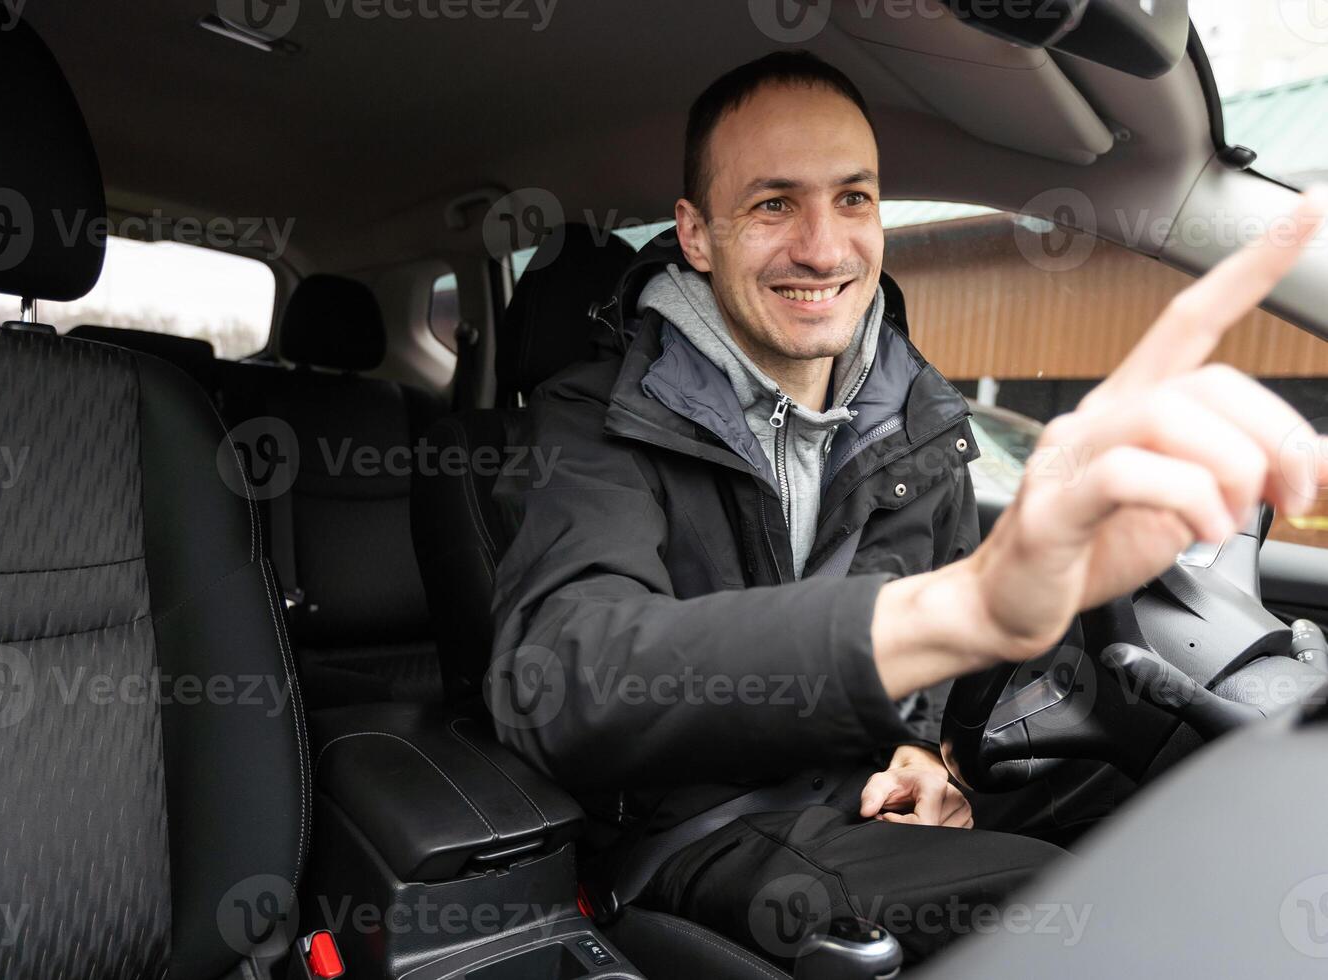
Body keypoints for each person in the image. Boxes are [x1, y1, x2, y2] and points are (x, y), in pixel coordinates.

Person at [489, 50, 1328, 964]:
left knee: (1174, 822)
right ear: (696, 234)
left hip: (867, 802)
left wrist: (938, 759)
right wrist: (962, 609)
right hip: (705, 828)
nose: (823, 246)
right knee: (1099, 912)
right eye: (773, 204)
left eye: (853, 198)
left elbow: (950, 694)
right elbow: (561, 680)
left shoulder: (916, 415)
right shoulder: (592, 418)